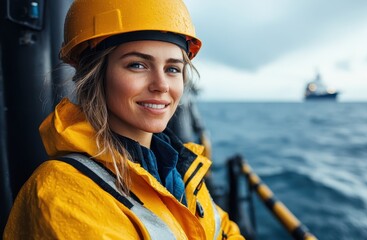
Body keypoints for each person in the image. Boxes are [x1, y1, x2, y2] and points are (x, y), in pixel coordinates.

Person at [3, 0, 243, 239]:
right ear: (95, 74)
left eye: (172, 69)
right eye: (137, 65)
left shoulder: (178, 168)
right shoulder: (62, 191)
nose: (161, 85)